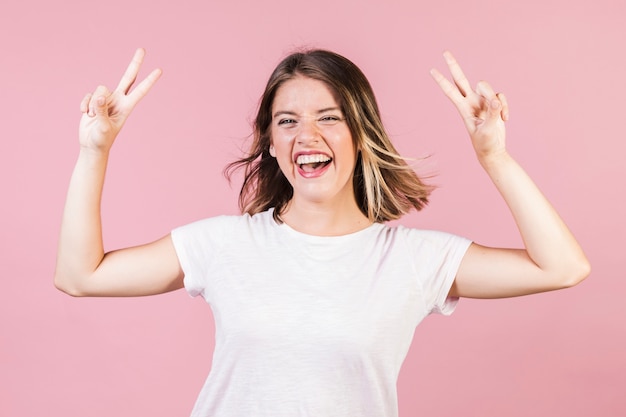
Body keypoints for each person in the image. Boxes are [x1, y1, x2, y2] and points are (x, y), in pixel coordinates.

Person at [54, 48, 590, 416]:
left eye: (329, 117)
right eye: (287, 120)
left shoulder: (413, 259)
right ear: (268, 140)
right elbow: (80, 275)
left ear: (361, 134)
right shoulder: (223, 244)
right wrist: (93, 150)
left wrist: (493, 156)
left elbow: (562, 267)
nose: (306, 135)